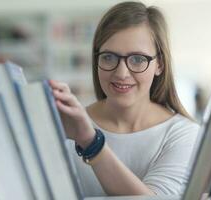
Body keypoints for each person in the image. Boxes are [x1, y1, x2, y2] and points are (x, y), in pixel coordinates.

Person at [49, 1, 199, 197]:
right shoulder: (66, 125)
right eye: (109, 57)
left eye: (137, 59)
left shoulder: (184, 134)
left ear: (160, 65)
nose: (121, 73)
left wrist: (90, 142)